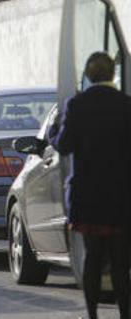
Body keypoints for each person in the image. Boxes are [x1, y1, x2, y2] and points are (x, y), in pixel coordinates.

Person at [50, 52, 131, 319]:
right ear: (112, 75)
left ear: (88, 75)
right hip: (121, 195)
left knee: (93, 257)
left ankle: (92, 313)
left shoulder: (77, 105)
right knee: (121, 261)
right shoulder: (126, 104)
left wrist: (54, 129)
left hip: (87, 197)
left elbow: (64, 145)